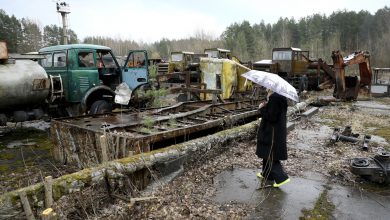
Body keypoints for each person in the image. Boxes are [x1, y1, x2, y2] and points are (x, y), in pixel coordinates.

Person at [256, 89, 290, 187]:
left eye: (267, 87)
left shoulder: (274, 98)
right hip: (275, 131)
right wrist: (267, 105)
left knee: (271, 154)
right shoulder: (279, 97)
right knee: (267, 152)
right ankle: (267, 175)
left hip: (272, 132)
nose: (266, 88)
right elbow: (275, 112)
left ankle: (282, 178)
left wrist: (262, 108)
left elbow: (272, 117)